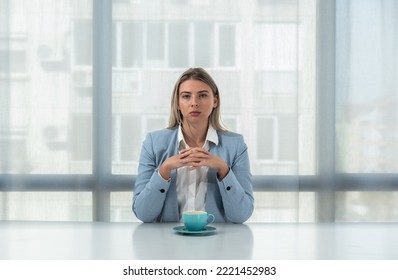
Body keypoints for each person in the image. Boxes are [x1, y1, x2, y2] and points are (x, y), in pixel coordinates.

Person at [133, 67, 254, 223]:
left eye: (202, 95)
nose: (194, 103)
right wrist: (164, 170)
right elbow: (143, 214)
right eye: (186, 96)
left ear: (215, 101)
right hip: (166, 243)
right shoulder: (153, 143)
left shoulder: (236, 145)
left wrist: (224, 170)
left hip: (217, 243)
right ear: (177, 102)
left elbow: (242, 215)